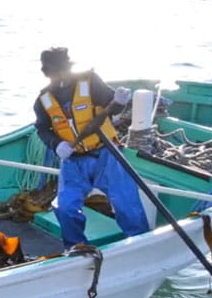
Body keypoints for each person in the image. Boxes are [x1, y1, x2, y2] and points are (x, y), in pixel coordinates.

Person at [33, 47, 149, 249]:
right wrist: (56, 144)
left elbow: (112, 104)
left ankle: (140, 244)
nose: (59, 76)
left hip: (107, 153)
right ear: (47, 73)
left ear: (68, 68)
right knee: (65, 207)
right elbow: (42, 129)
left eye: (62, 70)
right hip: (73, 160)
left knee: (126, 203)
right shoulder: (43, 100)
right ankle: (77, 248)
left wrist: (120, 101)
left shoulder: (90, 82)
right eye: (54, 72)